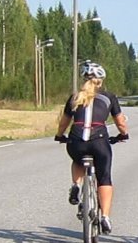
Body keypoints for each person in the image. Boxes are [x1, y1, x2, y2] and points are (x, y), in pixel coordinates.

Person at [54, 60, 129, 233]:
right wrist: (123, 135)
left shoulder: (74, 97)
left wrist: (59, 136)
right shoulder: (109, 97)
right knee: (104, 178)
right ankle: (105, 217)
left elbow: (63, 123)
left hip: (76, 142)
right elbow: (120, 123)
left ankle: (76, 185)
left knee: (78, 159)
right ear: (101, 81)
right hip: (99, 142)